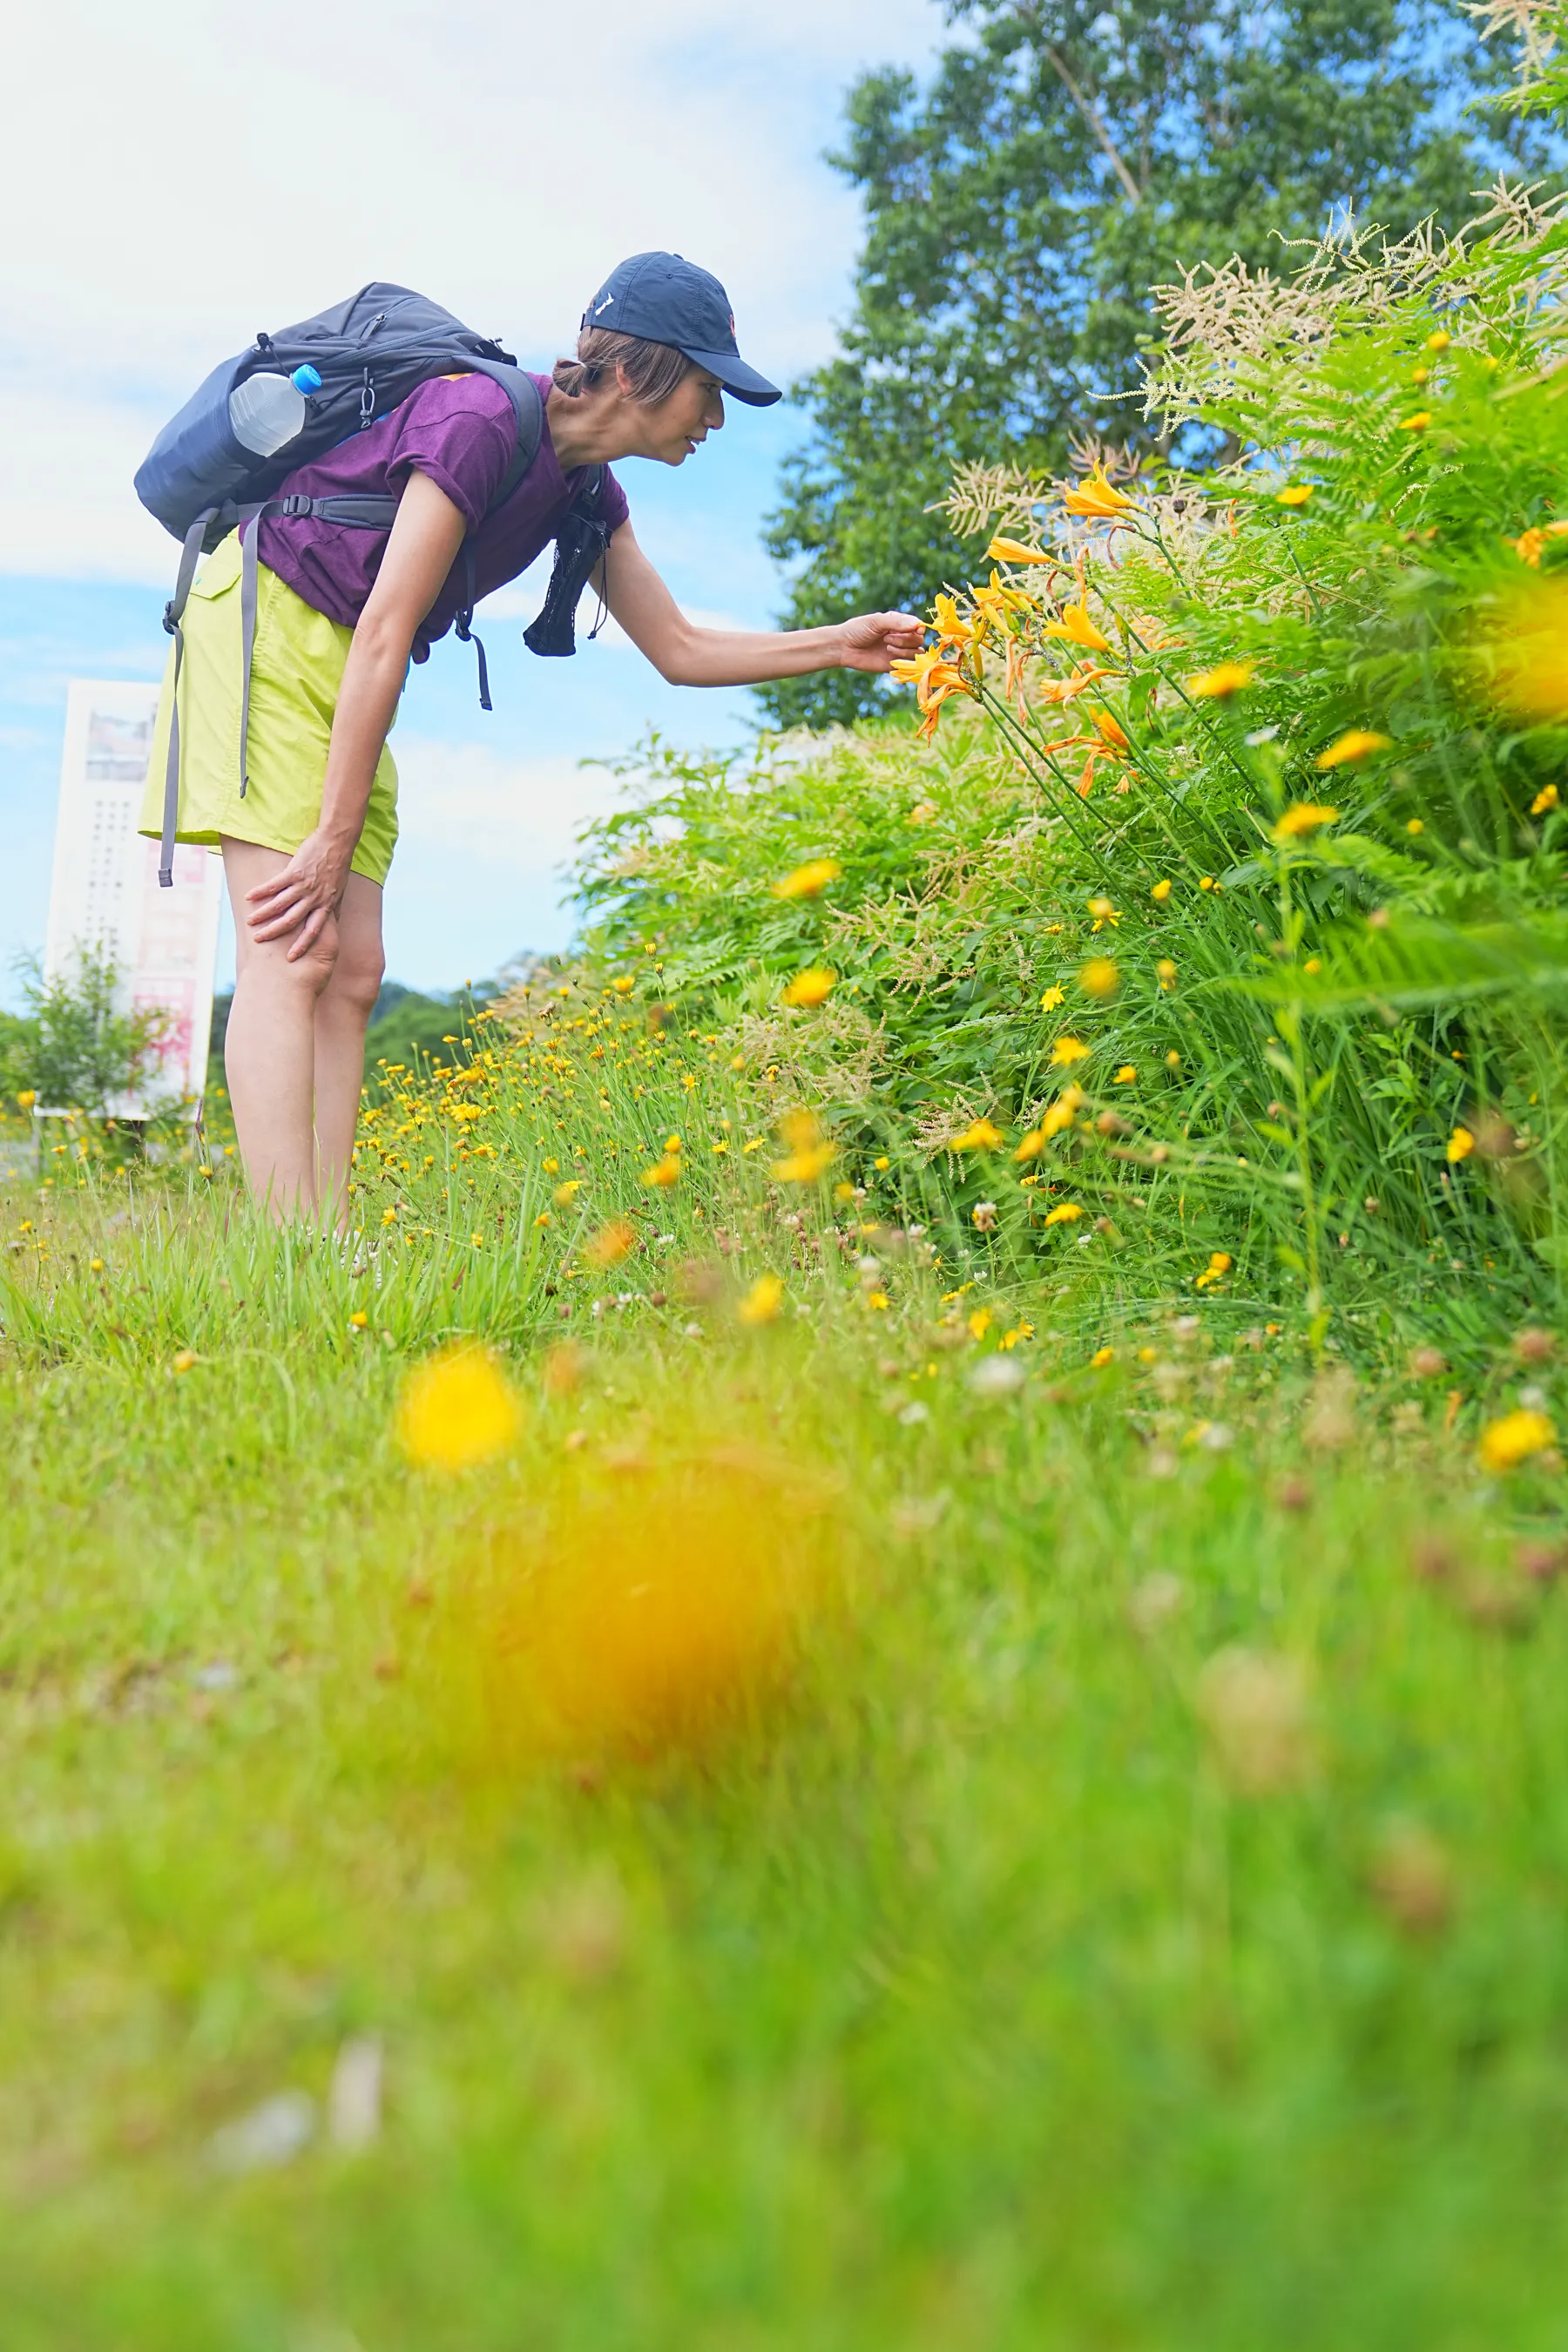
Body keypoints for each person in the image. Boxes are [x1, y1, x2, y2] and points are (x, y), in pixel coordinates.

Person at [139, 253, 923, 1222]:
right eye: (708, 391)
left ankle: (329, 1239)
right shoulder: (477, 418)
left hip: (345, 664)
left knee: (353, 973)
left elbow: (676, 648)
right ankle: (291, 1251)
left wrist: (837, 649)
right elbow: (389, 624)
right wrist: (333, 838)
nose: (714, 422)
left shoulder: (587, 490)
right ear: (638, 373)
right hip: (266, 624)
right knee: (293, 948)